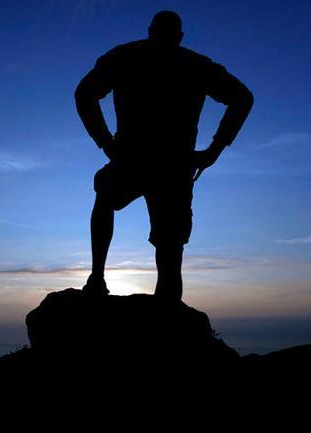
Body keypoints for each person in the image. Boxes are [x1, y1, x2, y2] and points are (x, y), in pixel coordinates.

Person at [75, 10, 253, 300]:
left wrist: (107, 143)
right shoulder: (195, 65)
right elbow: (243, 97)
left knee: (115, 203)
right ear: (179, 36)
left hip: (148, 162)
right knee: (166, 247)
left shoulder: (126, 57)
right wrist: (214, 151)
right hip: (168, 166)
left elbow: (84, 93)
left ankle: (99, 279)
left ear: (150, 30)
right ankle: (104, 281)